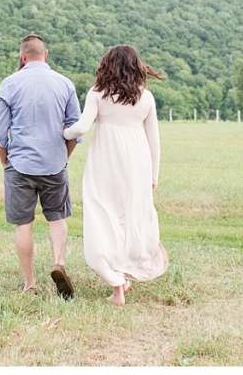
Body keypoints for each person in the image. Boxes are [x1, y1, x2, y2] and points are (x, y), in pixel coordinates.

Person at [63, 44, 169, 306]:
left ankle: (117, 285)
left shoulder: (97, 93)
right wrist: (153, 174)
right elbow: (154, 141)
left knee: (103, 217)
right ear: (136, 66)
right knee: (131, 217)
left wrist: (64, 133)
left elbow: (82, 127)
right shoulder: (146, 98)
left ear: (107, 65)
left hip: (105, 161)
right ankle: (123, 277)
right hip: (138, 162)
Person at [0, 33, 82, 298]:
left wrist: (4, 160)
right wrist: (63, 157)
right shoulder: (64, 83)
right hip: (55, 163)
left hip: (20, 165)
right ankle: (58, 263)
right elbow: (75, 128)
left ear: (23, 56)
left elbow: (0, 131)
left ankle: (30, 283)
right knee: (56, 217)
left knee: (24, 224)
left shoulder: (9, 84)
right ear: (46, 53)